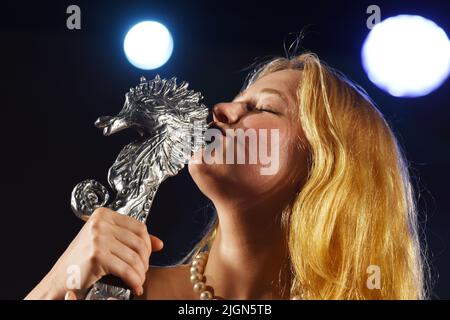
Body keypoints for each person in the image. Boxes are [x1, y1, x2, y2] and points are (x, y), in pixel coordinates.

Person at [25, 52, 428, 300]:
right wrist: (57, 284)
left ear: (327, 165)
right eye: (235, 99)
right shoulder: (124, 291)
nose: (220, 110)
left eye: (264, 108)